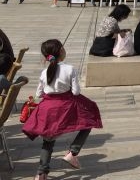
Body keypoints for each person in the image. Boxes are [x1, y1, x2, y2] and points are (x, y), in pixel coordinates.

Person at [23, 39, 103, 180]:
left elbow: (38, 94)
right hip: (65, 106)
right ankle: (73, 153)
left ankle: (42, 174)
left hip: (48, 109)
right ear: (61, 51)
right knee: (89, 119)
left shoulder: (44, 72)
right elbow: (76, 92)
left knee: (48, 142)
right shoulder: (70, 69)